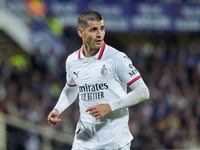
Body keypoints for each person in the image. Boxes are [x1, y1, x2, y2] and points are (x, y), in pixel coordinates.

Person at [47, 10, 150, 150]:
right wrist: (57, 109)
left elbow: (143, 92)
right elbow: (71, 88)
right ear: (80, 32)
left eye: (102, 29)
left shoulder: (117, 58)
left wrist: (110, 106)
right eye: (93, 30)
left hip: (115, 143)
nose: (99, 34)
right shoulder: (72, 60)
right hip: (84, 141)